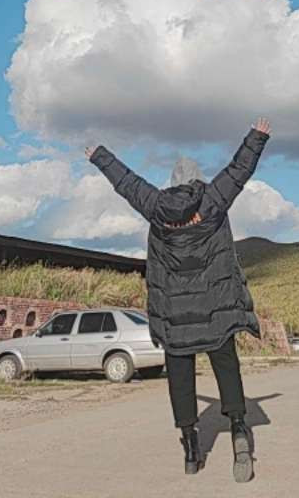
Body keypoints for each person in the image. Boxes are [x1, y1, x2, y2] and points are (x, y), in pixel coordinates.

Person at [85, 118, 270, 482]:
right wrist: (257, 137)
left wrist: (99, 156)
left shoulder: (155, 206)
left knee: (180, 376)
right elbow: (239, 170)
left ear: (172, 183)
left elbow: (127, 182)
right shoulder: (213, 199)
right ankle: (238, 429)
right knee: (226, 365)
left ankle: (190, 446)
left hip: (175, 315)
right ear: (197, 180)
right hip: (216, 310)